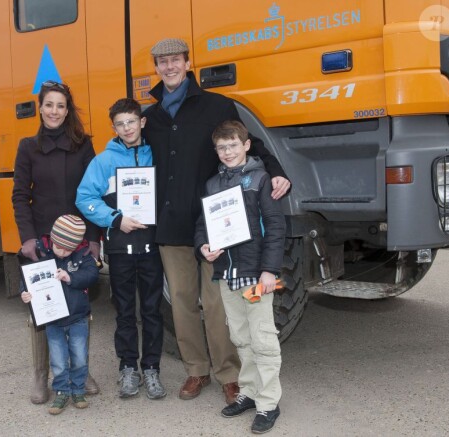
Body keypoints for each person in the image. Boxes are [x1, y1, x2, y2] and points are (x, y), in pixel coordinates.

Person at [142, 38, 291, 404]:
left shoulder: (216, 105)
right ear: (157, 68)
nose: (170, 67)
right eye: (162, 62)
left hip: (218, 226)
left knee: (217, 304)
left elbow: (249, 143)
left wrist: (276, 172)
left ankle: (228, 374)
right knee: (181, 300)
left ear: (188, 63)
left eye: (175, 60)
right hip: (172, 224)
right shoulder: (153, 116)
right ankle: (196, 371)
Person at [12, 80, 101, 404]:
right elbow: (20, 196)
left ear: (68, 110)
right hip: (43, 243)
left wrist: (92, 239)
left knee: (78, 304)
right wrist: (28, 239)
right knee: (43, 305)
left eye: (60, 106)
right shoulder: (27, 147)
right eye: (49, 105)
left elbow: (92, 194)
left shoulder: (83, 146)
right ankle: (41, 375)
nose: (54, 111)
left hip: (77, 243)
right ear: (40, 108)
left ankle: (80, 370)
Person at [195, 121, 286, 434]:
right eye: (221, 147)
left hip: (255, 275)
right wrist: (202, 246)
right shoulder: (211, 185)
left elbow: (275, 227)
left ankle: (269, 402)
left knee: (262, 338)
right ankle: (248, 391)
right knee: (240, 338)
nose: (227, 152)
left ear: (246, 145)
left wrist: (269, 270)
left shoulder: (260, 180)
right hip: (227, 275)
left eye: (233, 145)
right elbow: (203, 225)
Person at [76, 98, 166, 400]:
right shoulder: (103, 161)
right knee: (125, 311)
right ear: (114, 128)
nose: (127, 128)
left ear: (142, 122)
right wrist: (115, 219)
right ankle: (128, 367)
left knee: (153, 310)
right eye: (120, 124)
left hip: (153, 246)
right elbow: (85, 198)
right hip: (120, 247)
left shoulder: (158, 153)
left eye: (131, 121)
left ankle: (151, 367)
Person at [21, 215, 99, 415]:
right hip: (53, 320)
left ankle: (78, 390)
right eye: (59, 247)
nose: (63, 252)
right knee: (57, 360)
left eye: (68, 249)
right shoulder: (42, 254)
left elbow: (92, 275)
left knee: (80, 357)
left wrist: (70, 277)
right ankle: (62, 391)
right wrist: (26, 293)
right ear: (53, 239)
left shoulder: (83, 255)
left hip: (78, 317)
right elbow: (29, 278)